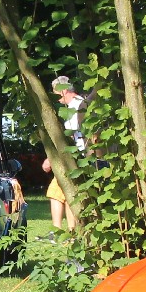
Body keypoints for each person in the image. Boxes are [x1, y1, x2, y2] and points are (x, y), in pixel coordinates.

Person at [46, 76, 87, 231]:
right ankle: (65, 231)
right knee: (60, 192)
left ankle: (65, 232)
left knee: (65, 192)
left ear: (63, 90)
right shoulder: (75, 105)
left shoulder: (76, 106)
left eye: (55, 92)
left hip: (77, 157)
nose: (55, 97)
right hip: (75, 157)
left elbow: (70, 137)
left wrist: (52, 158)